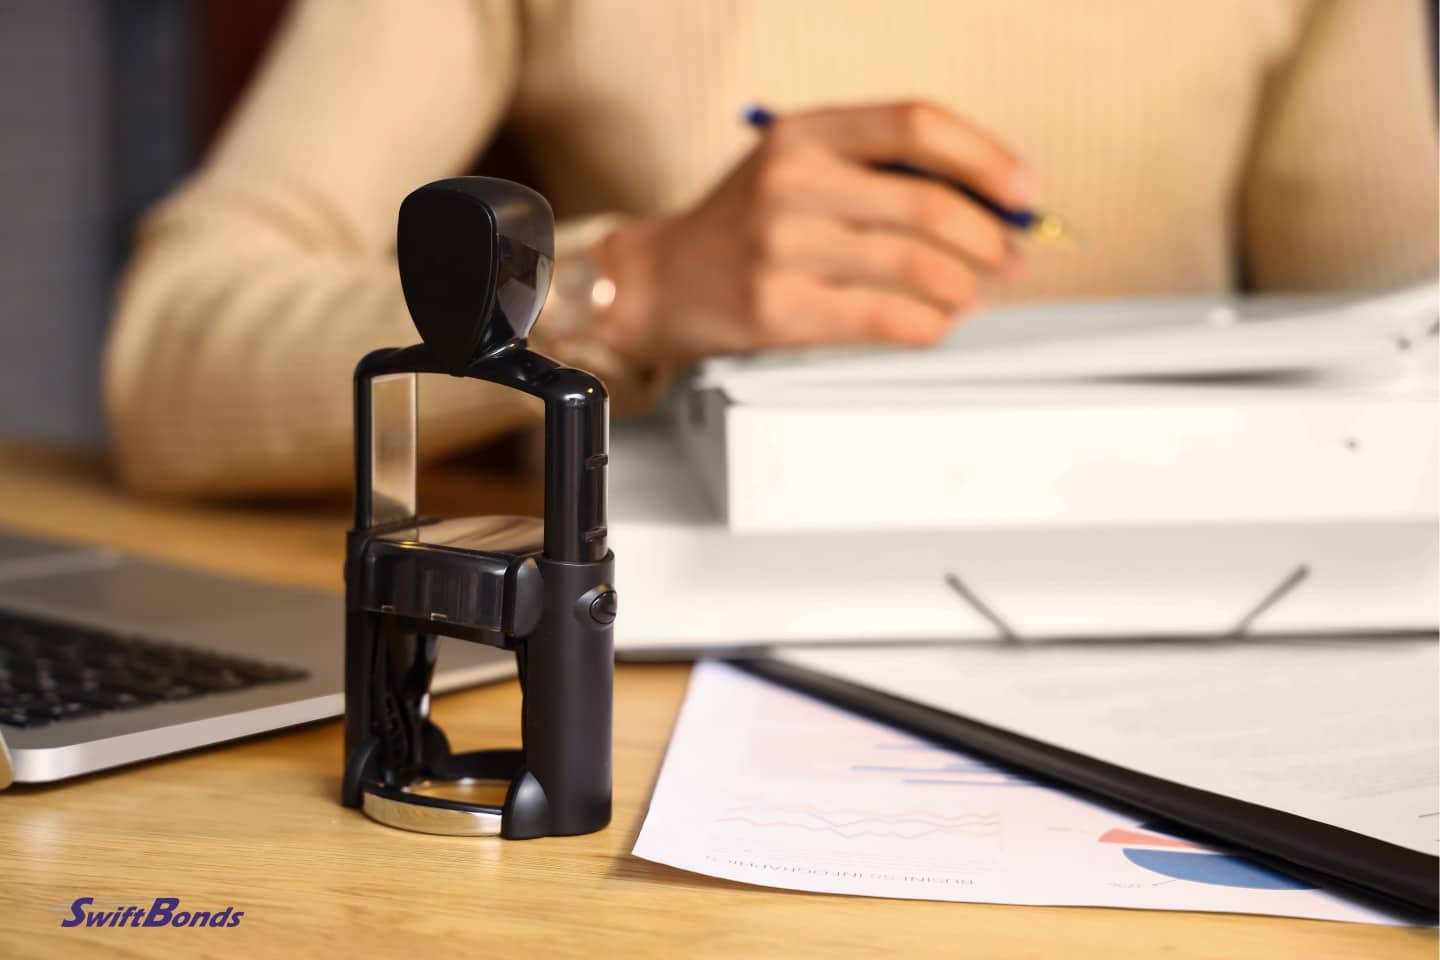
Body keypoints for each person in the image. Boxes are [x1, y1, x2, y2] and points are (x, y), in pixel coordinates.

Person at [105, 0, 1439, 496]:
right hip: (669, 680)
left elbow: (1408, 356)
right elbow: (170, 360)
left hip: (1182, 651)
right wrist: (631, 286)